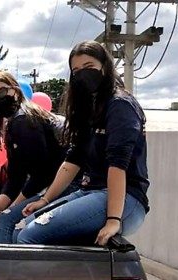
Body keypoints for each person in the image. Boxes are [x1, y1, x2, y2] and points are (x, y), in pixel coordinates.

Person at [15, 40, 149, 246]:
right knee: (21, 229)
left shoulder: (120, 105)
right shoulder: (90, 109)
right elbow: (72, 160)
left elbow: (118, 164)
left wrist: (113, 220)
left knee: (29, 236)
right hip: (90, 191)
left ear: (105, 66)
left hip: (124, 199)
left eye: (89, 67)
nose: (83, 75)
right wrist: (45, 200)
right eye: (76, 71)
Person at [0, 69, 76, 243]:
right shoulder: (14, 123)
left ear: (15, 89)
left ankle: (3, 269)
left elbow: (42, 174)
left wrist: (12, 207)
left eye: (2, 91)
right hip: (53, 184)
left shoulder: (24, 120)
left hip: (68, 185)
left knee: (5, 221)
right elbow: (16, 176)